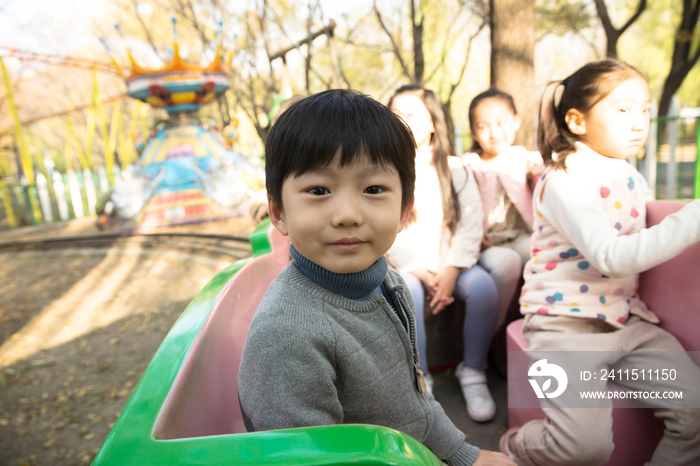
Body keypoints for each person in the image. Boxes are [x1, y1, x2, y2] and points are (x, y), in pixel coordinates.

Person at [238, 89, 515, 466]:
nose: (348, 214)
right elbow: (313, 460)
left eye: (373, 189)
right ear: (278, 210)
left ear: (405, 211)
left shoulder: (388, 282)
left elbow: (414, 400)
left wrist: (462, 454)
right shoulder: (287, 336)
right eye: (319, 190)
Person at [501, 59, 700, 466]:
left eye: (645, 110)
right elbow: (611, 257)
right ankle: (518, 444)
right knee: (583, 449)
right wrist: (693, 216)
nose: (640, 122)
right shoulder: (564, 179)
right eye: (624, 109)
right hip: (565, 325)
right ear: (576, 120)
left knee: (695, 412)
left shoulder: (631, 175)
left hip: (628, 320)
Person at [387, 85, 516, 423]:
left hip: (452, 263)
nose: (402, 121)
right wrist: (417, 269)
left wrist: (450, 272)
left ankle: (473, 371)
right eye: (395, 114)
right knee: (407, 294)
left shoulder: (454, 168)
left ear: (433, 122)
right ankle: (421, 380)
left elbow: (471, 223)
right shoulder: (383, 169)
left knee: (484, 288)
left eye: (411, 114)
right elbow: (385, 230)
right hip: (408, 267)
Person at [462, 89, 543, 330]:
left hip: (519, 236)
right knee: (505, 263)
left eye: (501, 122)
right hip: (486, 243)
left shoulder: (521, 157)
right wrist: (474, 236)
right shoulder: (468, 165)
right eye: (483, 126)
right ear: (474, 132)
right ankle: (492, 327)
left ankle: (542, 317)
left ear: (516, 121)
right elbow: (461, 207)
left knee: (540, 253)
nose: (494, 132)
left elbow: (548, 164)